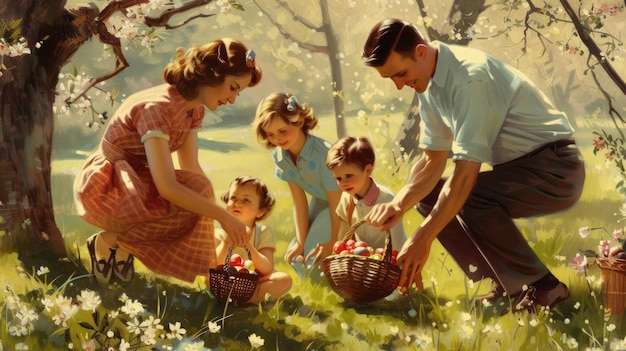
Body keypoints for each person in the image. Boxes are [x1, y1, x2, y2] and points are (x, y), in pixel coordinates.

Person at [361, 18, 585, 311]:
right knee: (431, 197)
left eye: (400, 74)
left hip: (555, 168)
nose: (400, 85)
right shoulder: (429, 82)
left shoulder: (470, 78)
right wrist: (399, 204)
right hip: (520, 170)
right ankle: (508, 285)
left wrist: (423, 237)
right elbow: (433, 161)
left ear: (421, 52)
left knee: (470, 196)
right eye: (392, 79)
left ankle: (547, 286)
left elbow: (466, 176)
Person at [74, 38, 262, 286]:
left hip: (139, 178)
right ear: (213, 75)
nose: (233, 99)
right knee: (194, 199)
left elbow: (191, 169)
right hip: (109, 182)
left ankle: (116, 245)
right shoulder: (159, 108)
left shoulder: (194, 109)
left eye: (238, 92)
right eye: (233, 87)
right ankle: (110, 243)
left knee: (200, 192)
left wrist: (216, 210)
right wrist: (222, 217)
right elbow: (166, 187)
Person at [253, 92, 342, 273]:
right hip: (322, 201)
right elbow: (299, 201)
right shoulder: (281, 156)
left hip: (345, 205)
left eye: (282, 131)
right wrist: (301, 242)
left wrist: (333, 241)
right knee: (296, 257)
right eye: (270, 134)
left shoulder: (323, 154)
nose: (277, 139)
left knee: (315, 259)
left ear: (299, 121)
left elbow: (338, 203)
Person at [215, 176, 293, 303]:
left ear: (260, 211)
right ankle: (245, 300)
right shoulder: (220, 233)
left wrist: (247, 245)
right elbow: (214, 266)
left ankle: (248, 300)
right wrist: (226, 243)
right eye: (233, 198)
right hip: (225, 283)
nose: (237, 203)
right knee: (208, 278)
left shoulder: (261, 233)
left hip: (252, 284)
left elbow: (267, 267)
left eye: (246, 200)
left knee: (283, 279)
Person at [326, 136, 406, 251]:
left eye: (349, 176)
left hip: (387, 263)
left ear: (368, 170)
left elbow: (398, 244)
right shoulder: (346, 198)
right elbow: (343, 238)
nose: (344, 183)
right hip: (362, 263)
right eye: (338, 178)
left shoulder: (387, 199)